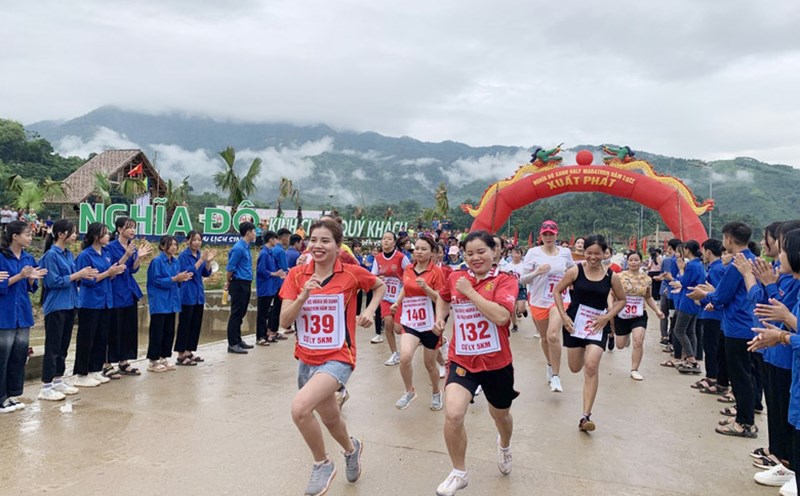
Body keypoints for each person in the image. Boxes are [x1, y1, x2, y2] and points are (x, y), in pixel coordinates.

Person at [279, 218, 385, 496]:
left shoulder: (350, 274)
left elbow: (379, 286)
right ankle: (352, 449)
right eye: (313, 240)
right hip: (306, 359)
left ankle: (322, 464)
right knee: (331, 418)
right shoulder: (296, 275)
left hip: (339, 357)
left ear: (339, 246)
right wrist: (303, 296)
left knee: (300, 410)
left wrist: (370, 310)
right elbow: (284, 322)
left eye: (325, 241)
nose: (318, 245)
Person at [432, 231, 518, 495]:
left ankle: (504, 445)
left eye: (481, 251)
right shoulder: (455, 276)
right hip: (462, 359)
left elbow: (502, 316)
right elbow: (444, 296)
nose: (475, 258)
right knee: (454, 414)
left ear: (495, 252)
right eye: (469, 253)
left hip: (497, 363)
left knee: (500, 415)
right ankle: (459, 472)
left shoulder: (506, 281)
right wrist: (440, 318)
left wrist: (470, 292)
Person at [687, 222, 758, 438]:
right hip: (745, 322)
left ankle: (744, 422)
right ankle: (743, 415)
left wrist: (705, 295)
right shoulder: (752, 260)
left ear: (728, 239)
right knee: (744, 374)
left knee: (740, 376)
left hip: (737, 326)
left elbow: (722, 296)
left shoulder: (738, 263)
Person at [553, 234, 626, 432]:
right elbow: (557, 291)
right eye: (589, 253)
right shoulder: (575, 271)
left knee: (592, 366)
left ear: (605, 253)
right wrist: (563, 315)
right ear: (584, 252)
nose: (593, 257)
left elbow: (621, 300)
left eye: (597, 253)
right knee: (575, 367)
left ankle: (586, 417)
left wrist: (607, 317)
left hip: (597, 325)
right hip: (574, 324)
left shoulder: (612, 276)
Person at [748, 226, 800, 496]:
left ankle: (789, 465)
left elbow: (767, 306)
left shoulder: (790, 280)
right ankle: (785, 463)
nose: (778, 254)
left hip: (786, 357)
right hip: (777, 352)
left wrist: (759, 281)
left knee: (789, 417)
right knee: (782, 412)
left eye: (781, 248)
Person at [37, 220, 96, 401]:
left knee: (63, 345)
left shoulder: (69, 254)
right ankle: (46, 385)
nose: (75, 236)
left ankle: (58, 379)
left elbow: (72, 278)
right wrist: (77, 275)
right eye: (72, 232)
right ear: (61, 234)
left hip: (70, 304)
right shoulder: (50, 256)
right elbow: (52, 282)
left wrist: (82, 276)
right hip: (56, 306)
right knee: (53, 346)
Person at [390, 236, 445, 411]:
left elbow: (442, 298)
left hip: (430, 324)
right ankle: (409, 391)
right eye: (417, 249)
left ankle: (436, 392)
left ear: (432, 253)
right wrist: (397, 302)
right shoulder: (408, 268)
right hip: (410, 321)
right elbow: (405, 288)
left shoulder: (436, 272)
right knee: (405, 358)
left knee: (429, 365)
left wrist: (427, 289)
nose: (419, 252)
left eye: (423, 249)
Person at [520, 220, 575, 392]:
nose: (548, 237)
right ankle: (550, 364)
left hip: (559, 300)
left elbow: (573, 271)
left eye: (551, 234)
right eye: (545, 234)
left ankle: (556, 376)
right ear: (541, 236)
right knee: (545, 338)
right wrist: (537, 272)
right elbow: (522, 279)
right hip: (538, 301)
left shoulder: (565, 253)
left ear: (556, 235)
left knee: (553, 335)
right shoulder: (533, 253)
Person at [74, 222, 126, 387]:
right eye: (104, 234)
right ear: (96, 236)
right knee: (86, 338)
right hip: (90, 302)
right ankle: (81, 373)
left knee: (101, 338)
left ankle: (95, 370)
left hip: (105, 301)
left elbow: (106, 276)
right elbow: (86, 280)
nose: (108, 237)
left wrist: (113, 273)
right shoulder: (85, 255)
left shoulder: (106, 253)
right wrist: (107, 273)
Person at [0, 221, 40, 412]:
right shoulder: (1, 257)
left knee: (18, 354)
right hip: (5, 312)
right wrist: (20, 276)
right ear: (15, 236)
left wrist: (32, 279)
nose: (30, 238)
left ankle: (13, 394)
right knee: (3, 355)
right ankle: (1, 397)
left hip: (22, 312)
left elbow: (32, 287)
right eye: (27, 234)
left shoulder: (29, 258)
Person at [107, 217, 153, 378]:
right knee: (114, 328)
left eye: (134, 227)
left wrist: (139, 257)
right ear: (119, 229)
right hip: (116, 291)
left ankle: (124, 361)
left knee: (128, 328)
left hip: (129, 291)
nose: (133, 230)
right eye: (129, 227)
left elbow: (132, 270)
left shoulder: (131, 247)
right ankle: (107, 363)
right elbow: (114, 269)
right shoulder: (111, 247)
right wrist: (127, 255)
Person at [614, 251, 664, 380]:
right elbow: (611, 294)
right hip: (622, 314)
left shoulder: (646, 279)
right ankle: (626, 338)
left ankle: (634, 369)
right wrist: (610, 307)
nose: (633, 262)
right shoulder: (619, 276)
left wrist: (657, 310)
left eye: (636, 260)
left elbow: (648, 297)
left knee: (639, 341)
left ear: (641, 262)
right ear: (627, 261)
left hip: (639, 314)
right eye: (631, 260)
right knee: (619, 345)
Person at [146, 236, 192, 372]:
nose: (173, 247)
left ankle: (164, 357)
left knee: (169, 331)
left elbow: (176, 280)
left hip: (172, 302)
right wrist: (174, 279)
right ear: (162, 246)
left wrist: (181, 279)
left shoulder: (176, 262)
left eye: (175, 245)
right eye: (170, 244)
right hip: (160, 301)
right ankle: (153, 360)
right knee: (157, 331)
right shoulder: (157, 261)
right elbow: (156, 280)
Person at [175, 231, 216, 365]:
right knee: (185, 324)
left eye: (199, 240)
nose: (197, 243)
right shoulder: (183, 256)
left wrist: (208, 262)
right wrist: (201, 260)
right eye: (194, 240)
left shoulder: (199, 255)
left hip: (198, 294)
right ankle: (181, 354)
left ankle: (189, 351)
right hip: (187, 294)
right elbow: (188, 272)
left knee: (195, 324)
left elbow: (206, 272)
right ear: (188, 241)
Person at [372, 231, 411, 366]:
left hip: (400, 297)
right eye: (384, 239)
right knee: (388, 324)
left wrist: (405, 283)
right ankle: (395, 354)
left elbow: (410, 272)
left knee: (398, 328)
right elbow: (372, 277)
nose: (386, 241)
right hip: (385, 297)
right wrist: (378, 278)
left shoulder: (401, 257)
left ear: (394, 242)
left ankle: (416, 337)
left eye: (389, 239)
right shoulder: (378, 258)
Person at [668, 240, 707, 374]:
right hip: (694, 301)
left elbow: (684, 282)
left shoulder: (690, 266)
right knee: (690, 331)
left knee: (679, 330)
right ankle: (692, 357)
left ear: (687, 250)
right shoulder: (699, 264)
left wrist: (681, 269)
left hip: (687, 301)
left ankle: (691, 359)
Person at [225, 221, 257, 354]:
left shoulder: (246, 247)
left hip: (246, 283)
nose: (255, 234)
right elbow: (230, 267)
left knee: (241, 312)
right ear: (248, 232)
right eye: (254, 231)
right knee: (236, 313)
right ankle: (232, 343)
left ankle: (238, 340)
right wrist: (228, 281)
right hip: (238, 283)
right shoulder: (238, 248)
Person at [256, 231, 285, 346]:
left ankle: (266, 335)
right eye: (275, 239)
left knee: (267, 312)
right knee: (262, 314)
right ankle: (260, 337)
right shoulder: (264, 254)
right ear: (270, 240)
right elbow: (261, 271)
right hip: (264, 288)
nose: (276, 241)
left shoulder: (270, 253)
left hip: (270, 287)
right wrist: (274, 274)